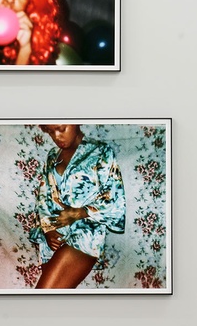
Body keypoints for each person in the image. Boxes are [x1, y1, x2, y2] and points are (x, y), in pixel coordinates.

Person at [30, 124, 126, 289]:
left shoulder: (101, 151)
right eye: (51, 132)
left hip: (85, 235)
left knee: (43, 295)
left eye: (61, 129)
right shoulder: (53, 155)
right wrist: (48, 229)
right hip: (54, 237)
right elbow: (44, 196)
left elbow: (115, 200)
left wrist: (78, 213)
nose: (57, 137)